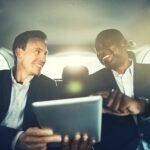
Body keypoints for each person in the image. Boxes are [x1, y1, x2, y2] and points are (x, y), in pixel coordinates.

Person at [0, 30, 94, 150]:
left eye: (45, 54)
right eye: (37, 52)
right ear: (19, 52)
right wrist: (15, 139)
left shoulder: (48, 86)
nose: (43, 59)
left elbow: (54, 125)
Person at [88, 29, 150, 150]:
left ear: (123, 43)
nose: (101, 52)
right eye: (97, 50)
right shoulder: (91, 81)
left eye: (105, 45)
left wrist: (142, 106)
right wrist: (92, 108)